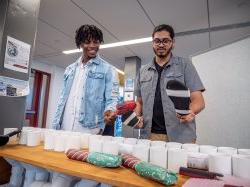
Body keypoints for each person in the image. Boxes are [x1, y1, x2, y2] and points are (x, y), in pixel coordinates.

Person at [50, 24, 119, 187]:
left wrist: (110, 111)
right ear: (80, 43)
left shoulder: (108, 69)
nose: (93, 46)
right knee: (59, 180)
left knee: (88, 179)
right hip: (65, 131)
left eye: (96, 41)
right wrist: (55, 125)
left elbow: (112, 98)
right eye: (88, 42)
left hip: (90, 132)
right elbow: (62, 99)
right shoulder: (69, 69)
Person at [134, 24, 205, 143]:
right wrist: (137, 116)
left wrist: (191, 112)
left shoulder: (185, 65)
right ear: (153, 43)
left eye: (166, 41)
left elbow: (199, 101)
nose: (161, 44)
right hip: (150, 136)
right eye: (157, 41)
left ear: (173, 43)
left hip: (181, 136)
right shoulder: (142, 71)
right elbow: (139, 102)